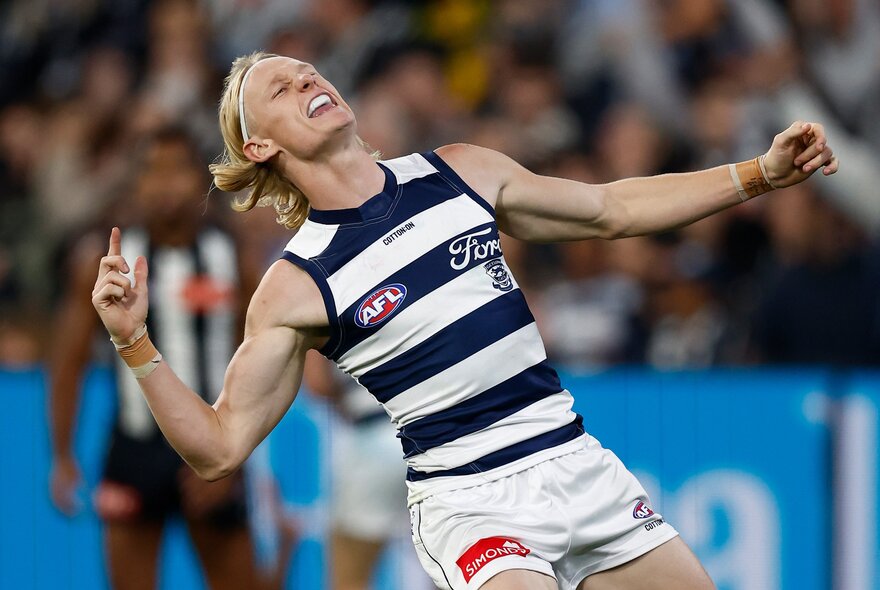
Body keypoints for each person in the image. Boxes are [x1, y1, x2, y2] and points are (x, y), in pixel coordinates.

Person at [90, 52, 838, 590]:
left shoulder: (458, 172)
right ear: (262, 147)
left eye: (307, 70)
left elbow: (612, 208)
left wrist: (756, 176)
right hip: (473, 501)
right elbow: (219, 448)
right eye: (282, 89)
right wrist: (133, 339)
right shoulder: (295, 283)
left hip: (577, 463)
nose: (308, 79)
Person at [50, 127, 287, 590]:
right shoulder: (102, 263)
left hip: (214, 445)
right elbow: (68, 361)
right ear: (135, 183)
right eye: (152, 171)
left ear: (200, 181)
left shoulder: (233, 255)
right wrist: (62, 455)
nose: (164, 184)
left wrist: (238, 457)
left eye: (176, 169)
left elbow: (268, 358)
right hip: (134, 450)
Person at [304, 351, 435, 590]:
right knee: (451, 570)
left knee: (351, 576)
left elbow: (317, 382)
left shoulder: (322, 311)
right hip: (437, 439)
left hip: (374, 439)